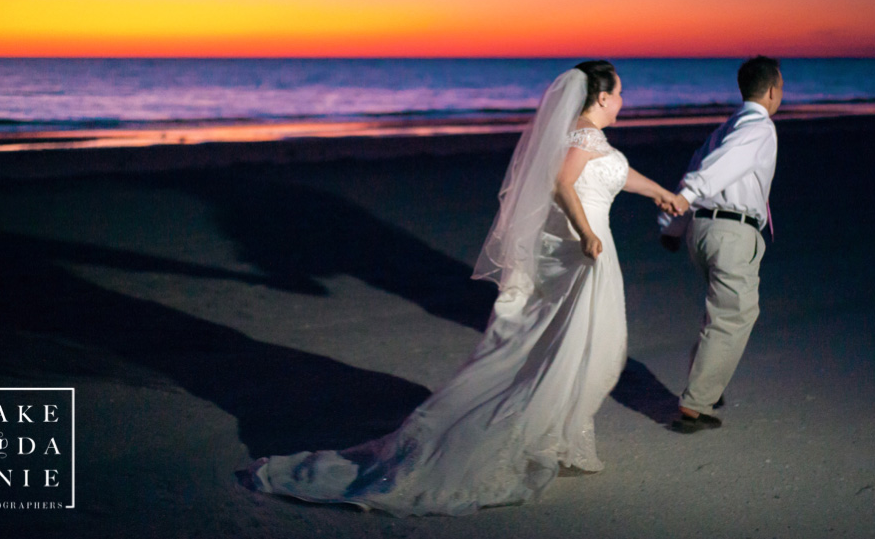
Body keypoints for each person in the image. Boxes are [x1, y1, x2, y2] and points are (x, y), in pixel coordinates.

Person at [244, 60, 683, 516]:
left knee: (571, 345)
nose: (624, 100)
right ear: (602, 97)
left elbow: (613, 175)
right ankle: (538, 434)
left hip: (585, 251)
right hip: (583, 253)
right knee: (575, 345)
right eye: (620, 92)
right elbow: (562, 183)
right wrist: (586, 231)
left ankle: (559, 436)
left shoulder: (584, 136)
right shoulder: (585, 135)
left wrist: (658, 191)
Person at [659, 55, 783, 434]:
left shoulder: (723, 127)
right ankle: (696, 404)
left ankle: (708, 381)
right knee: (734, 315)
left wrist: (673, 226)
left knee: (723, 311)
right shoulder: (758, 127)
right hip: (730, 231)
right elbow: (714, 169)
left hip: (702, 230)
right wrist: (686, 199)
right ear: (773, 90)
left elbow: (698, 165)